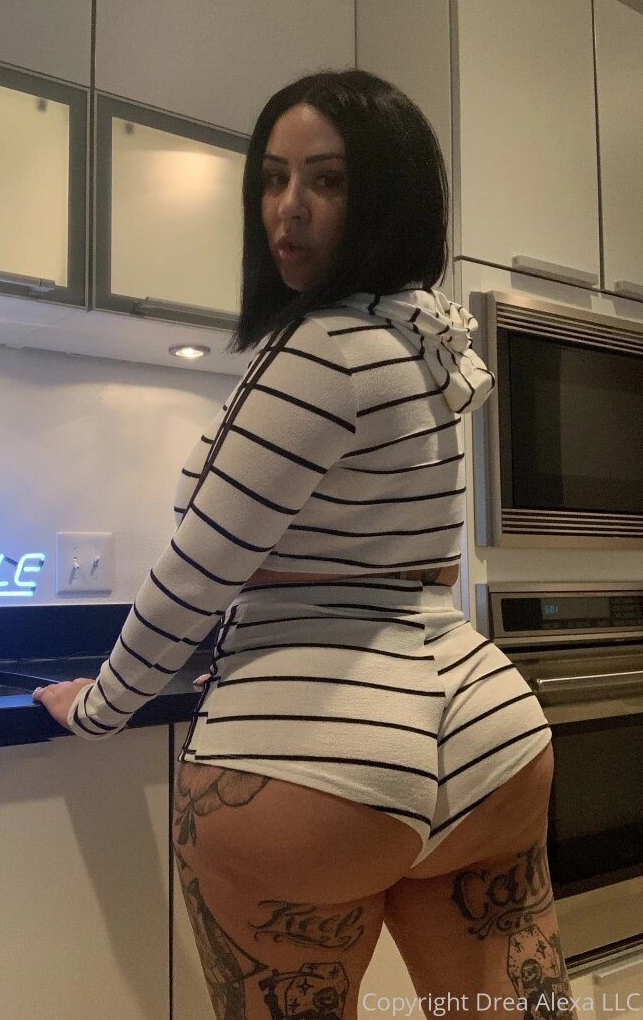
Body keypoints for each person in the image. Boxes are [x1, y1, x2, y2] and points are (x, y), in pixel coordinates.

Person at [33, 70, 577, 1020]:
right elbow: (409, 564)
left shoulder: (318, 349)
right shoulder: (423, 349)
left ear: (387, 198)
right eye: (274, 179)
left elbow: (194, 579)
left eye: (327, 180)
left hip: (308, 762)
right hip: (488, 734)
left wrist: (97, 707)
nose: (289, 207)